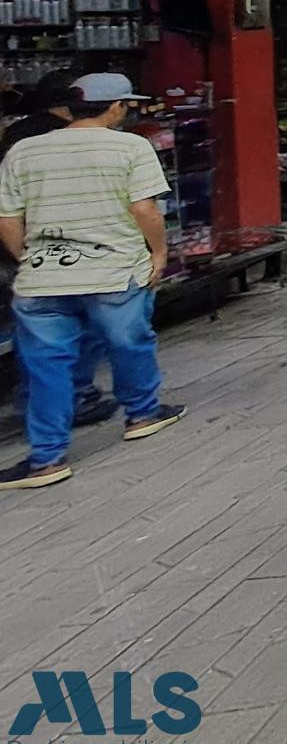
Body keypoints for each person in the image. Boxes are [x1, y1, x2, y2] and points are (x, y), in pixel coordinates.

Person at [0, 74, 185, 490]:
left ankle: (46, 459)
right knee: (128, 342)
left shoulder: (23, 150)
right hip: (114, 270)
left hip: (42, 276)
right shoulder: (131, 146)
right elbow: (145, 209)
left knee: (45, 364)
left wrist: (27, 258)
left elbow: (7, 218)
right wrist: (158, 254)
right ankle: (142, 414)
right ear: (117, 107)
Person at [0, 72, 116, 429]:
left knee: (40, 332)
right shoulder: (59, 138)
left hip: (28, 246)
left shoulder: (19, 135)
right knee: (89, 323)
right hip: (66, 247)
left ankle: (41, 400)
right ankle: (75, 396)